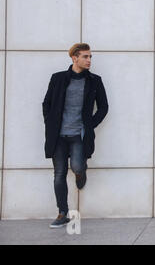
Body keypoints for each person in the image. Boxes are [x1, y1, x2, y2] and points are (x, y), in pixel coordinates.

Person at [42, 43, 108, 228]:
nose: (89, 60)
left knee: (77, 166)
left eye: (90, 57)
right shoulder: (58, 79)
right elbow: (46, 103)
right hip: (58, 135)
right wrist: (50, 123)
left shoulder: (95, 81)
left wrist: (90, 125)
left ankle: (80, 173)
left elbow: (104, 107)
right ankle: (63, 213)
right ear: (74, 58)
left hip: (79, 135)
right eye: (85, 57)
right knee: (59, 174)